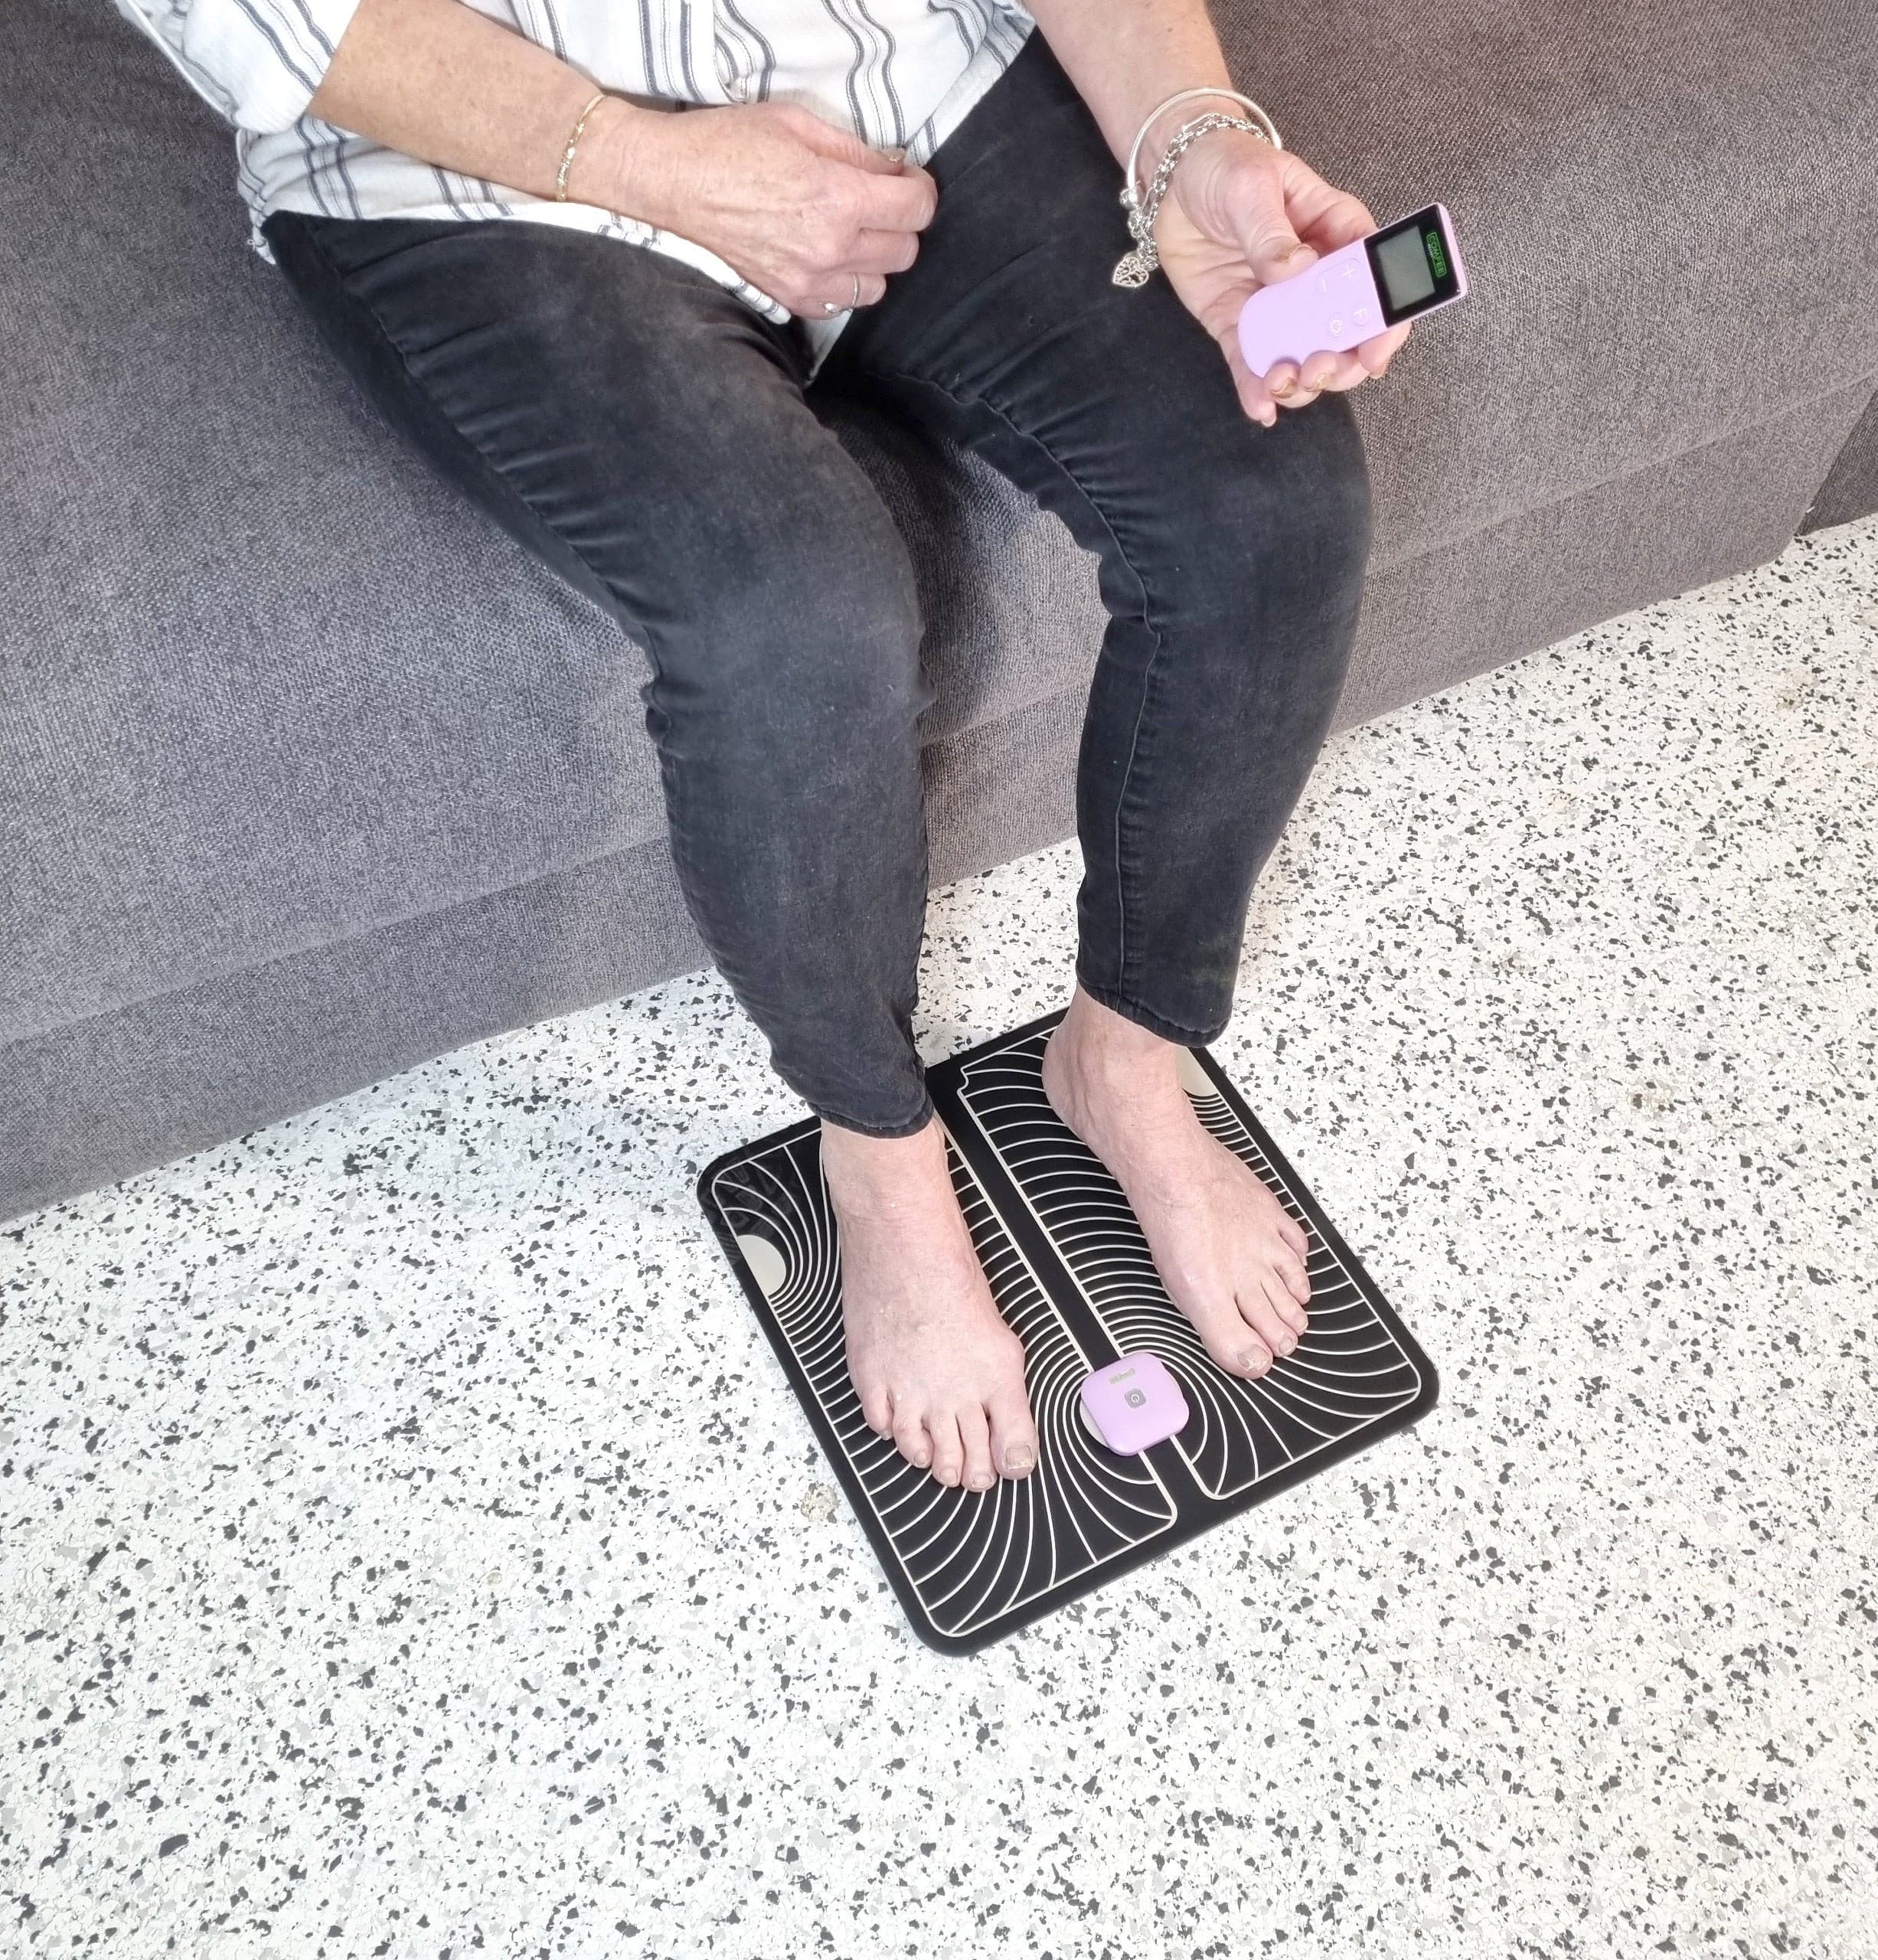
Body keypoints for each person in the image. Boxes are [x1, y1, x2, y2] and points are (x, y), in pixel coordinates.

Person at [121, 0, 1409, 1495]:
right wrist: (657, 168)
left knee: (1268, 495)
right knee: (786, 616)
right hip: (476, 172)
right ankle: (877, 1154)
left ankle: (1121, 1058)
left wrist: (1191, 136)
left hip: (901, 61)